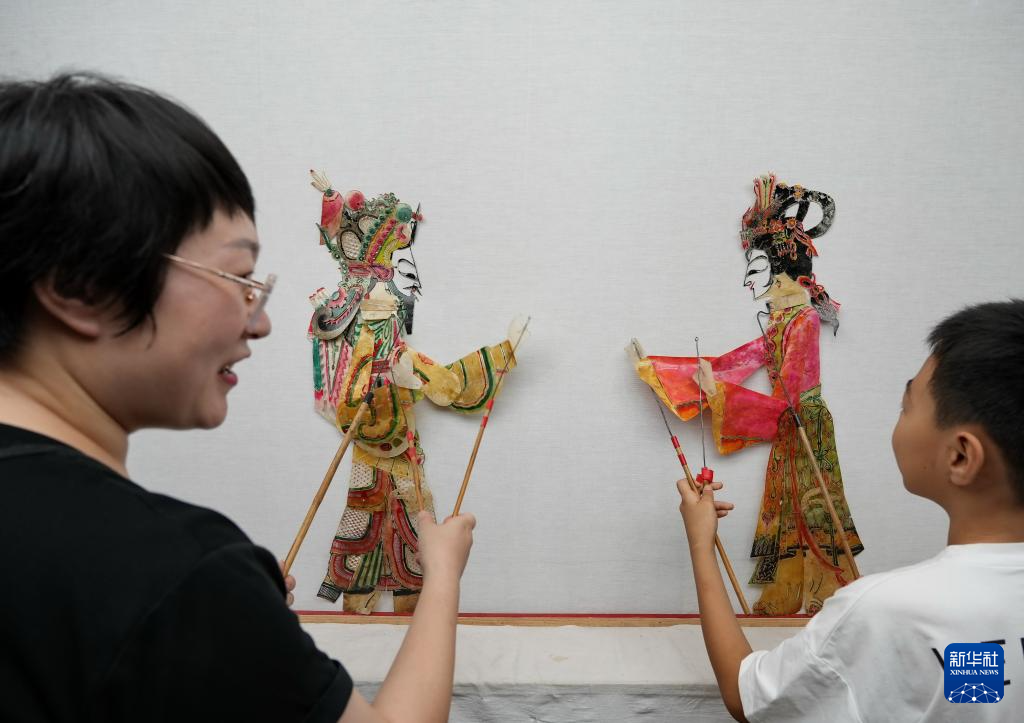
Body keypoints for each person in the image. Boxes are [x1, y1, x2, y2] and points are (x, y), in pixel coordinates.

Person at [0, 72, 475, 722]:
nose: (261, 321)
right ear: (81, 285)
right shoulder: (178, 575)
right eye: (238, 277)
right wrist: (441, 571)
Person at [682, 299, 1024, 721]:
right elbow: (978, 697)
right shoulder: (963, 622)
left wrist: (700, 544)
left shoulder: (889, 611)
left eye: (907, 405)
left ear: (960, 456)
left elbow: (744, 694)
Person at [636, 174, 863, 615]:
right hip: (790, 422)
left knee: (813, 506)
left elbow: (791, 396)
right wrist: (659, 371)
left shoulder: (803, 321)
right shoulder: (778, 322)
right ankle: (787, 594)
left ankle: (830, 594)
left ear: (781, 273)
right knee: (786, 507)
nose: (748, 281)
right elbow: (730, 362)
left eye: (755, 269)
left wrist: (720, 395)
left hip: (804, 421)